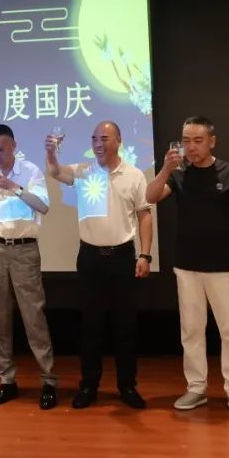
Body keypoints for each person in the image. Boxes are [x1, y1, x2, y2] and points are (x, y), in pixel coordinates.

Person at [146, 116, 229, 417]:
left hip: (223, 267)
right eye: (186, 141)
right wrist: (165, 169)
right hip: (187, 266)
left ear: (212, 141)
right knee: (191, 330)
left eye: (198, 140)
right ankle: (196, 387)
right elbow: (150, 197)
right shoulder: (178, 173)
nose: (191, 147)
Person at [45, 120, 153, 409]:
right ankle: (89, 386)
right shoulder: (84, 171)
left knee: (125, 325)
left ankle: (127, 386)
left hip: (122, 257)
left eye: (104, 138)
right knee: (90, 325)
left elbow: (144, 215)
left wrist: (145, 255)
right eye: (94, 138)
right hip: (90, 257)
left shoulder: (134, 175)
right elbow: (55, 171)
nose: (98, 144)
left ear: (119, 140)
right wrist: (51, 153)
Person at [0, 124, 57, 409]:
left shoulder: (30, 171)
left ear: (13, 146)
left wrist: (13, 186)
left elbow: (43, 206)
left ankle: (48, 381)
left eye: (1, 149)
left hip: (24, 250)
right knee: (1, 318)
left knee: (34, 317)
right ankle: (7, 380)